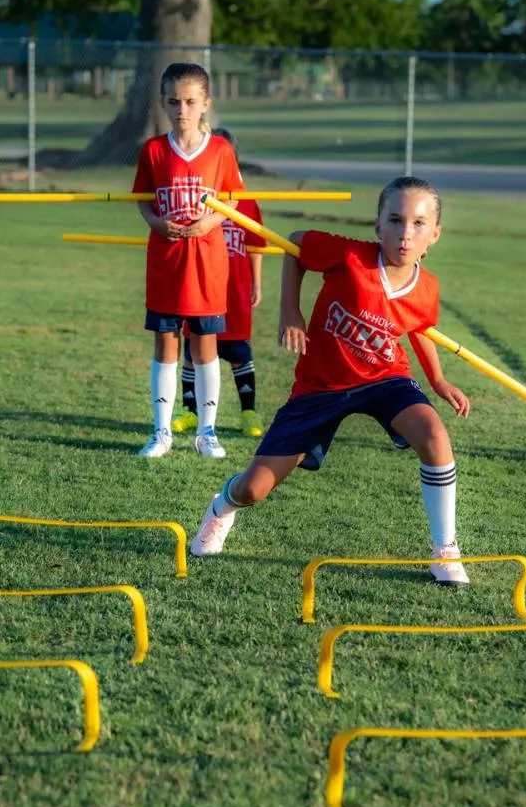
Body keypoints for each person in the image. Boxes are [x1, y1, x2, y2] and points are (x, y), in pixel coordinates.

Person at [190, 175, 472, 586]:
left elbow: (420, 329)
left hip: (384, 377)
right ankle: (222, 508)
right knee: (254, 490)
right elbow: (295, 243)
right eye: (395, 220)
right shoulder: (350, 256)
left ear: (435, 235)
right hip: (320, 387)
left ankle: (445, 550)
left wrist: (439, 380)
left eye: (418, 224)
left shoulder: (427, 288)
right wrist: (290, 311)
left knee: (433, 434)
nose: (405, 234)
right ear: (378, 226)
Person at [132, 62, 243, 459]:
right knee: (166, 343)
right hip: (166, 262)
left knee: (205, 345)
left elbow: (231, 199)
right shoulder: (154, 150)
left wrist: (209, 221)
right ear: (163, 104)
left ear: (206, 104)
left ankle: (206, 431)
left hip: (207, 264)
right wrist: (158, 223)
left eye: (190, 101)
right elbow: (143, 201)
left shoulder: (220, 150)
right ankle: (161, 432)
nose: (182, 109)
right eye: (174, 101)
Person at [172, 127, 267, 439]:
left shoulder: (247, 203)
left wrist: (256, 283)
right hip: (200, 286)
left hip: (235, 290)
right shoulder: (195, 200)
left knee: (239, 349)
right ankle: (189, 410)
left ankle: (248, 411)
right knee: (193, 350)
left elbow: (255, 246)